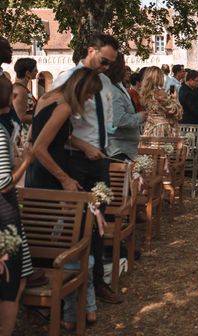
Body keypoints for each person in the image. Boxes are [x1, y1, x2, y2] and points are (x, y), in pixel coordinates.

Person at [26, 68, 102, 328]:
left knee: (47, 236)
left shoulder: (49, 97)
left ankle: (53, 307)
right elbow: (38, 147)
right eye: (90, 94)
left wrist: (83, 145)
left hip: (40, 174)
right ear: (81, 88)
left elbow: (45, 135)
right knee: (64, 239)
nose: (90, 99)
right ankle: (61, 307)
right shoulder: (65, 106)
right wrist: (64, 179)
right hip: (51, 175)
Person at [52, 33, 122, 304]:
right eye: (104, 61)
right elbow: (53, 127)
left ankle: (95, 283)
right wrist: (82, 145)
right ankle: (75, 289)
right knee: (77, 224)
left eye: (110, 65)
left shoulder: (104, 82)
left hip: (101, 160)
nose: (106, 68)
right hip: (77, 161)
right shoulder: (66, 79)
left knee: (98, 223)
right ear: (91, 50)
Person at [0, 76, 34, 336]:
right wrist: (27, 161)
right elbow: (3, 183)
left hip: (9, 211)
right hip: (4, 214)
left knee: (19, 273)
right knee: (9, 281)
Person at [106, 54, 146, 161]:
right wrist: (139, 117)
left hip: (126, 150)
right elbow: (119, 120)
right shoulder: (113, 90)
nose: (126, 69)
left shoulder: (118, 86)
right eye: (123, 65)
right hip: (118, 151)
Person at [141, 66, 182, 137]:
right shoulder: (160, 94)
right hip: (161, 129)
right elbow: (176, 112)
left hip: (150, 127)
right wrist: (174, 99)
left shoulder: (146, 93)